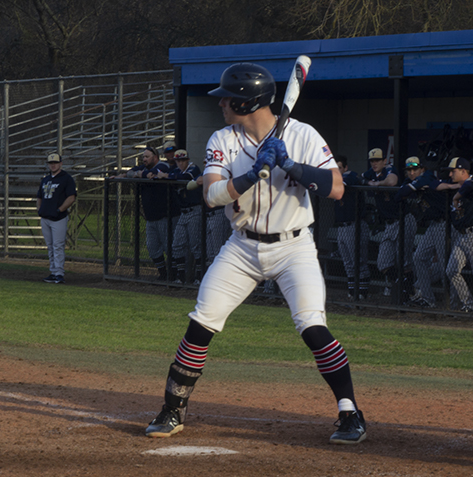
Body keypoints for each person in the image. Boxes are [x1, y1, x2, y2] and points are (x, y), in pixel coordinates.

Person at [144, 62, 367, 445]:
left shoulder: (302, 135)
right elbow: (213, 195)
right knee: (202, 321)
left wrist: (291, 165)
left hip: (294, 246)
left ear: (248, 103)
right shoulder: (222, 140)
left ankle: (350, 412)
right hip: (242, 247)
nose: (221, 105)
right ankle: (173, 408)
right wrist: (249, 175)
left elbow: (336, 188)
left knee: (312, 327)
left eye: (227, 99)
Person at [394, 156, 459, 308]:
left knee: (446, 266)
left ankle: (453, 303)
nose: (412, 173)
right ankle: (428, 299)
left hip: (445, 223)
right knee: (419, 258)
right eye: (409, 170)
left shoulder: (428, 176)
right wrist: (413, 186)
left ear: (422, 169)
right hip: (433, 225)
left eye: (415, 169)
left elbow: (412, 188)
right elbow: (398, 195)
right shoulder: (410, 181)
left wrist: (414, 186)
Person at [118, 145, 180, 280]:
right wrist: (140, 174)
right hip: (150, 217)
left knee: (169, 246)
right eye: (143, 157)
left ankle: (175, 275)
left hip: (166, 215)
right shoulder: (144, 169)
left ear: (155, 157)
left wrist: (140, 174)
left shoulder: (163, 166)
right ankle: (163, 274)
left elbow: (156, 174)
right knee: (152, 247)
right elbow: (130, 172)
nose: (144, 159)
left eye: (147, 157)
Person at [362, 148, 414, 297]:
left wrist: (375, 184)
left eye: (377, 160)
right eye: (372, 160)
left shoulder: (389, 169)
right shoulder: (371, 173)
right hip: (389, 224)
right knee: (383, 263)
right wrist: (368, 181)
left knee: (405, 262)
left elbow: (392, 181)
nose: (374, 163)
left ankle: (408, 294)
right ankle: (402, 285)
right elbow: (360, 178)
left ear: (384, 160)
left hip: (404, 219)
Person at [444, 157, 473, 312]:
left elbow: (472, 184)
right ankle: (470, 304)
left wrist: (456, 197)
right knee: (451, 270)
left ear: (463, 171)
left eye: (454, 171)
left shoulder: (471, 183)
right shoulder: (456, 185)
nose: (450, 174)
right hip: (462, 235)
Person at [158, 149, 203, 283]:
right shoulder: (176, 171)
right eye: (178, 161)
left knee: (195, 245)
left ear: (187, 160)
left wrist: (166, 176)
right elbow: (168, 175)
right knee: (177, 244)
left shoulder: (193, 168)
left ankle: (199, 277)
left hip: (195, 210)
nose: (180, 163)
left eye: (183, 160)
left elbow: (187, 177)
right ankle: (181, 277)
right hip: (183, 212)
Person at [334, 155, 370, 300]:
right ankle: (352, 293)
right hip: (341, 227)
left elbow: (345, 182)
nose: (338, 171)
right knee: (348, 263)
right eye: (335, 168)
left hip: (355, 226)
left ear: (345, 168)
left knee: (358, 261)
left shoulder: (350, 175)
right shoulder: (334, 179)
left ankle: (362, 294)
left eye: (340, 168)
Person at [37, 153, 77, 284]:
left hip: (58, 217)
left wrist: (60, 209)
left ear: (60, 163)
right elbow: (39, 197)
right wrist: (40, 210)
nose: (53, 165)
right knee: (50, 246)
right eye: (51, 163)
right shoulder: (45, 179)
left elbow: (71, 197)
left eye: (55, 162)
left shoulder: (66, 178)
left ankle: (59, 273)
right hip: (46, 216)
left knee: (58, 245)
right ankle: (53, 272)